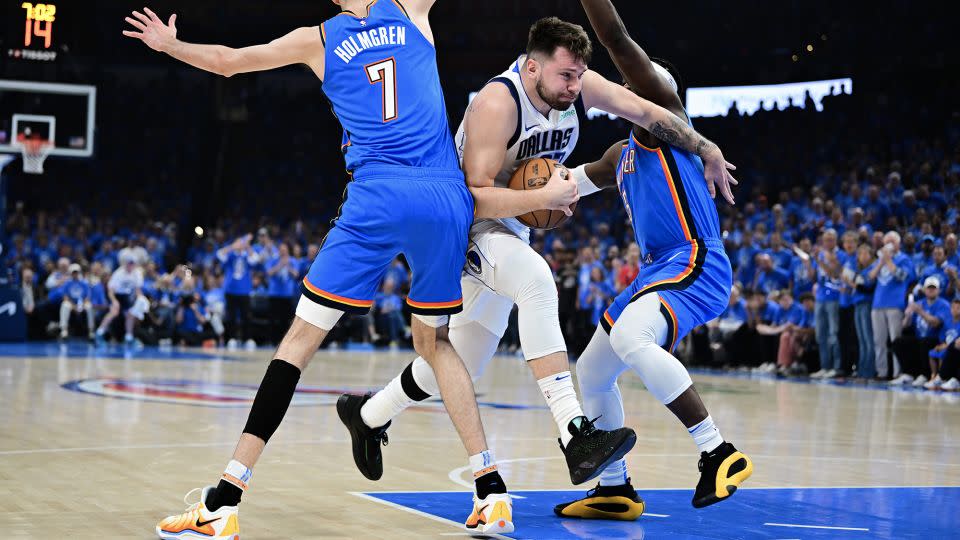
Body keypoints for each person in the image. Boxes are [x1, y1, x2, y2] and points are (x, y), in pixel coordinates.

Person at [125, 1, 519, 536]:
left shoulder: (317, 38)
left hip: (379, 197)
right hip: (443, 198)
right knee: (436, 343)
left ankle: (223, 502)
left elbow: (227, 61)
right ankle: (491, 489)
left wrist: (170, 46)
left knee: (298, 343)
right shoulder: (411, 9)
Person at [348, 13, 736, 503]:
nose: (575, 87)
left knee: (464, 359)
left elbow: (648, 116)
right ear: (532, 68)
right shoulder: (497, 103)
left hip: (514, 227)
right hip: (464, 224)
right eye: (565, 76)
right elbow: (474, 199)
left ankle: (367, 417)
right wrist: (543, 199)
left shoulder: (579, 88)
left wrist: (707, 147)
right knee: (536, 280)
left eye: (579, 77)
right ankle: (576, 432)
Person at [553, 0, 750, 521]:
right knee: (593, 370)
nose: (634, 83)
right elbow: (572, 181)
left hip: (695, 261)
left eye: (645, 81)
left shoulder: (661, 124)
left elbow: (616, 38)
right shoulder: (622, 154)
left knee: (630, 339)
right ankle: (614, 489)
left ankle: (717, 451)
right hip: (659, 269)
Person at [869, 231, 916, 379]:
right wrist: (882, 262)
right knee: (879, 341)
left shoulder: (904, 259)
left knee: (896, 341)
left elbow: (904, 277)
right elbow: (870, 277)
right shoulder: (880, 258)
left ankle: (898, 373)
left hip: (895, 305)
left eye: (892, 241)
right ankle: (881, 372)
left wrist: (889, 261)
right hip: (877, 305)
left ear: (898, 244)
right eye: (886, 241)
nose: (889, 244)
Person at [890, 277, 949, 387]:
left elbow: (935, 323)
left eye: (934, 288)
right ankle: (909, 373)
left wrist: (920, 312)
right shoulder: (919, 303)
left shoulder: (943, 304)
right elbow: (905, 325)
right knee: (898, 342)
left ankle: (925, 375)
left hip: (935, 338)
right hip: (920, 337)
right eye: (929, 288)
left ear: (939, 290)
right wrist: (908, 315)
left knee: (925, 343)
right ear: (924, 290)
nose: (931, 290)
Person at [926, 298, 960, 390]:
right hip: (948, 345)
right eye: (953, 308)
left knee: (947, 351)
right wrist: (942, 345)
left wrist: (945, 346)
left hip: (951, 346)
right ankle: (935, 376)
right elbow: (943, 337)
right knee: (932, 351)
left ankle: (945, 377)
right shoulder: (948, 322)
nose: (955, 310)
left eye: (958, 308)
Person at [58, 263, 94, 340]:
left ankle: (91, 330)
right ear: (71, 273)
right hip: (72, 304)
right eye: (73, 272)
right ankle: (64, 330)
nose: (75, 274)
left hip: (82, 303)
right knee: (65, 305)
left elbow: (87, 297)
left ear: (79, 273)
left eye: (76, 272)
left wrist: (82, 306)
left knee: (89, 306)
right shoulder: (67, 283)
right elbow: (65, 297)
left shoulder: (84, 283)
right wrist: (74, 307)